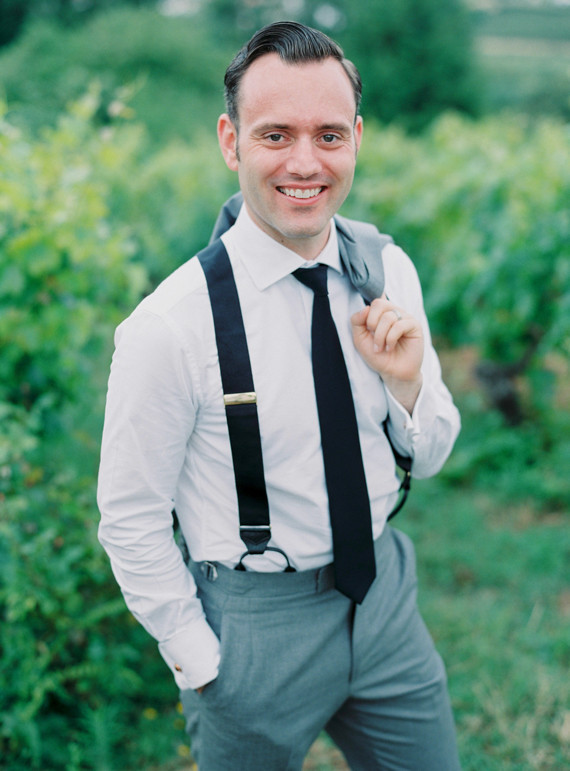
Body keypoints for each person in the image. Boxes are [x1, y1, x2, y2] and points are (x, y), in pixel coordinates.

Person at [97, 20, 462, 771]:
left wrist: (407, 380)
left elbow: (426, 459)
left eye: (329, 135)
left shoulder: (387, 266)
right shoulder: (170, 327)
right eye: (276, 135)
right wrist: (202, 660)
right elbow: (130, 520)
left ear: (357, 138)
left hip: (385, 599)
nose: (305, 162)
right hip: (255, 631)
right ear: (231, 143)